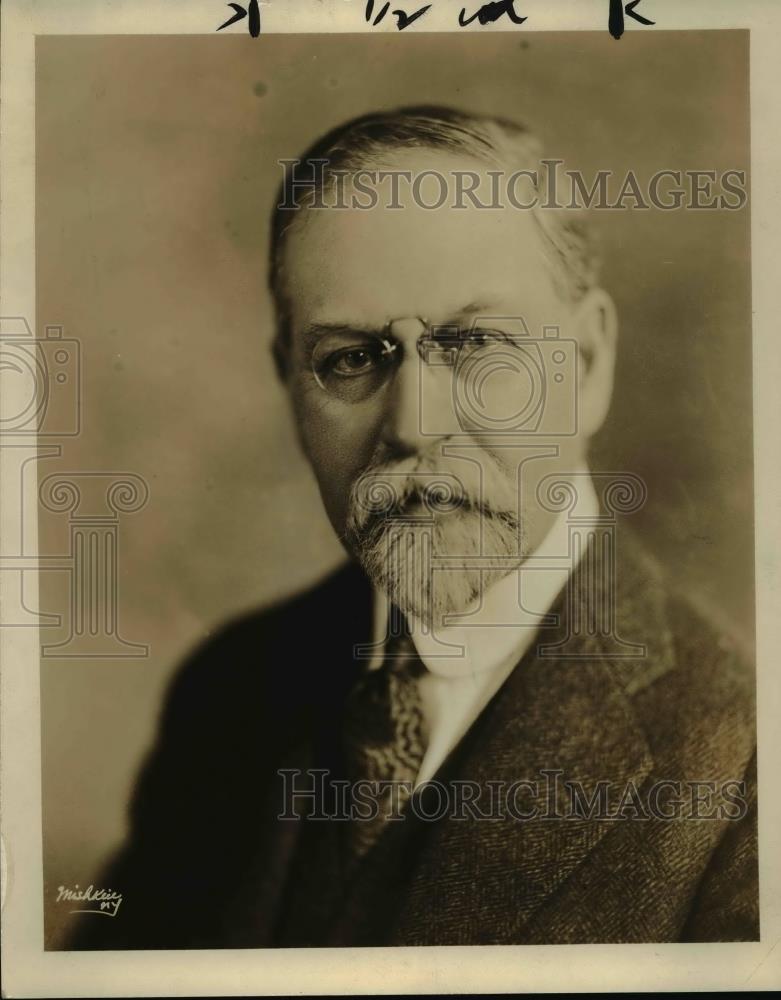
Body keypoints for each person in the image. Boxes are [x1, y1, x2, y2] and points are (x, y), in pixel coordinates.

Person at [69, 106, 757, 949]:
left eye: (474, 344)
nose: (414, 424)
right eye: (350, 359)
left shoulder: (744, 773)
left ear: (585, 366)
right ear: (290, 382)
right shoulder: (231, 691)